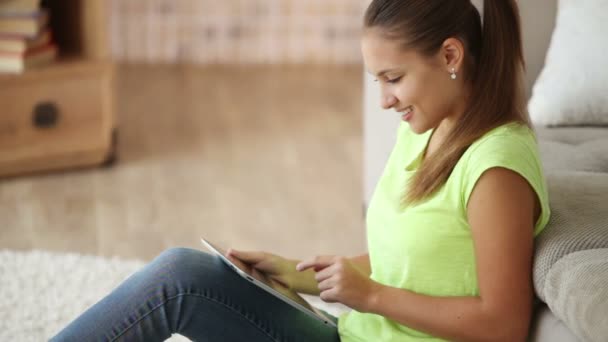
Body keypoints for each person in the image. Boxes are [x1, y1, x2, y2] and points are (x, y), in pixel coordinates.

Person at [50, 0, 551, 341]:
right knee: (185, 272)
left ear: (449, 55)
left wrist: (371, 296)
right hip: (355, 334)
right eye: (377, 80)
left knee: (178, 282)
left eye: (393, 78)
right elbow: (421, 262)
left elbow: (503, 324)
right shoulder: (427, 130)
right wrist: (294, 274)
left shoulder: (496, 168)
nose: (383, 100)